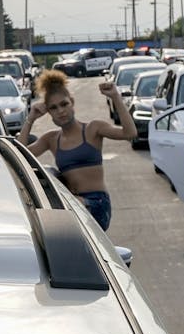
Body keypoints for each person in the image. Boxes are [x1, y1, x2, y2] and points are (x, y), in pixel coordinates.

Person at [20, 70, 136, 230]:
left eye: (64, 104)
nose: (60, 111)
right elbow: (19, 155)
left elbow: (129, 133)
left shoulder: (93, 129)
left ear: (72, 102)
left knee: (64, 210)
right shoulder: (51, 139)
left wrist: (115, 97)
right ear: (48, 112)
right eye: (53, 108)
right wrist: (30, 119)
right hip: (73, 203)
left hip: (97, 204)